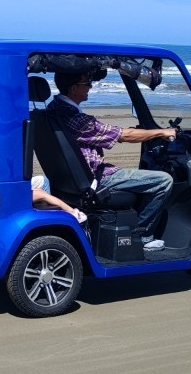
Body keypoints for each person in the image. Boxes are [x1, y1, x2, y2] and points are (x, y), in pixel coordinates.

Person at [47, 69, 177, 250]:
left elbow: (106, 132)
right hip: (95, 179)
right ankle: (142, 236)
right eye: (87, 83)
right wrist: (162, 131)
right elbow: (123, 136)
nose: (90, 87)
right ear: (74, 88)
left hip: (71, 179)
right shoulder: (76, 119)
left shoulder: (53, 110)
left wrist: (140, 132)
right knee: (163, 181)